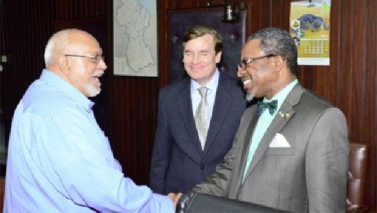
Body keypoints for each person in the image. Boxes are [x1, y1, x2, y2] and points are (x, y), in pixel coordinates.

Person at [180, 27, 349, 212]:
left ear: (276, 62)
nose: (240, 72)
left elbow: (326, 208)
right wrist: (186, 200)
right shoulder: (249, 114)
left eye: (247, 62)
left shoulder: (323, 118)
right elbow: (229, 173)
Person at [4, 29, 174, 212]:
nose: (103, 66)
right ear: (65, 63)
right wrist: (165, 206)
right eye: (94, 58)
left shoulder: (38, 93)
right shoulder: (61, 113)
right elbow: (103, 191)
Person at [150, 25, 247, 194]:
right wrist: (158, 200)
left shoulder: (241, 96)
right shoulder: (169, 96)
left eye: (203, 53)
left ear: (217, 56)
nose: (195, 61)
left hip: (226, 196)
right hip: (179, 195)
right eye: (189, 53)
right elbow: (161, 156)